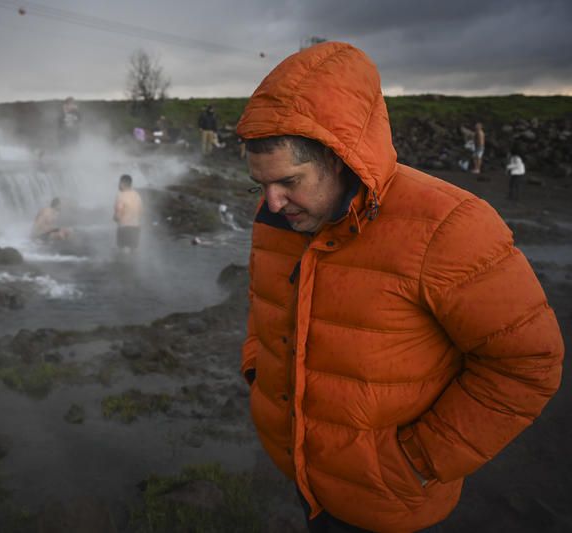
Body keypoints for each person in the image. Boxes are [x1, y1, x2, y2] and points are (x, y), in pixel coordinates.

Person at [236, 42, 563, 533]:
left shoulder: (450, 228)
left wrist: (416, 461)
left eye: (288, 181)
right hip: (307, 480)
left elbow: (527, 363)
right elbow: (263, 303)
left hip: (392, 503)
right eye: (259, 184)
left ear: (338, 157)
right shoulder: (278, 222)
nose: (273, 202)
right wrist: (259, 371)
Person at [113, 174, 143, 253]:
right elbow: (140, 212)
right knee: (133, 251)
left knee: (122, 252)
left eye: (119, 183)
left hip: (124, 227)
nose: (118, 185)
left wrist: (115, 218)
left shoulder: (121, 195)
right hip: (136, 228)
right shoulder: (137, 195)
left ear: (123, 183)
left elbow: (119, 213)